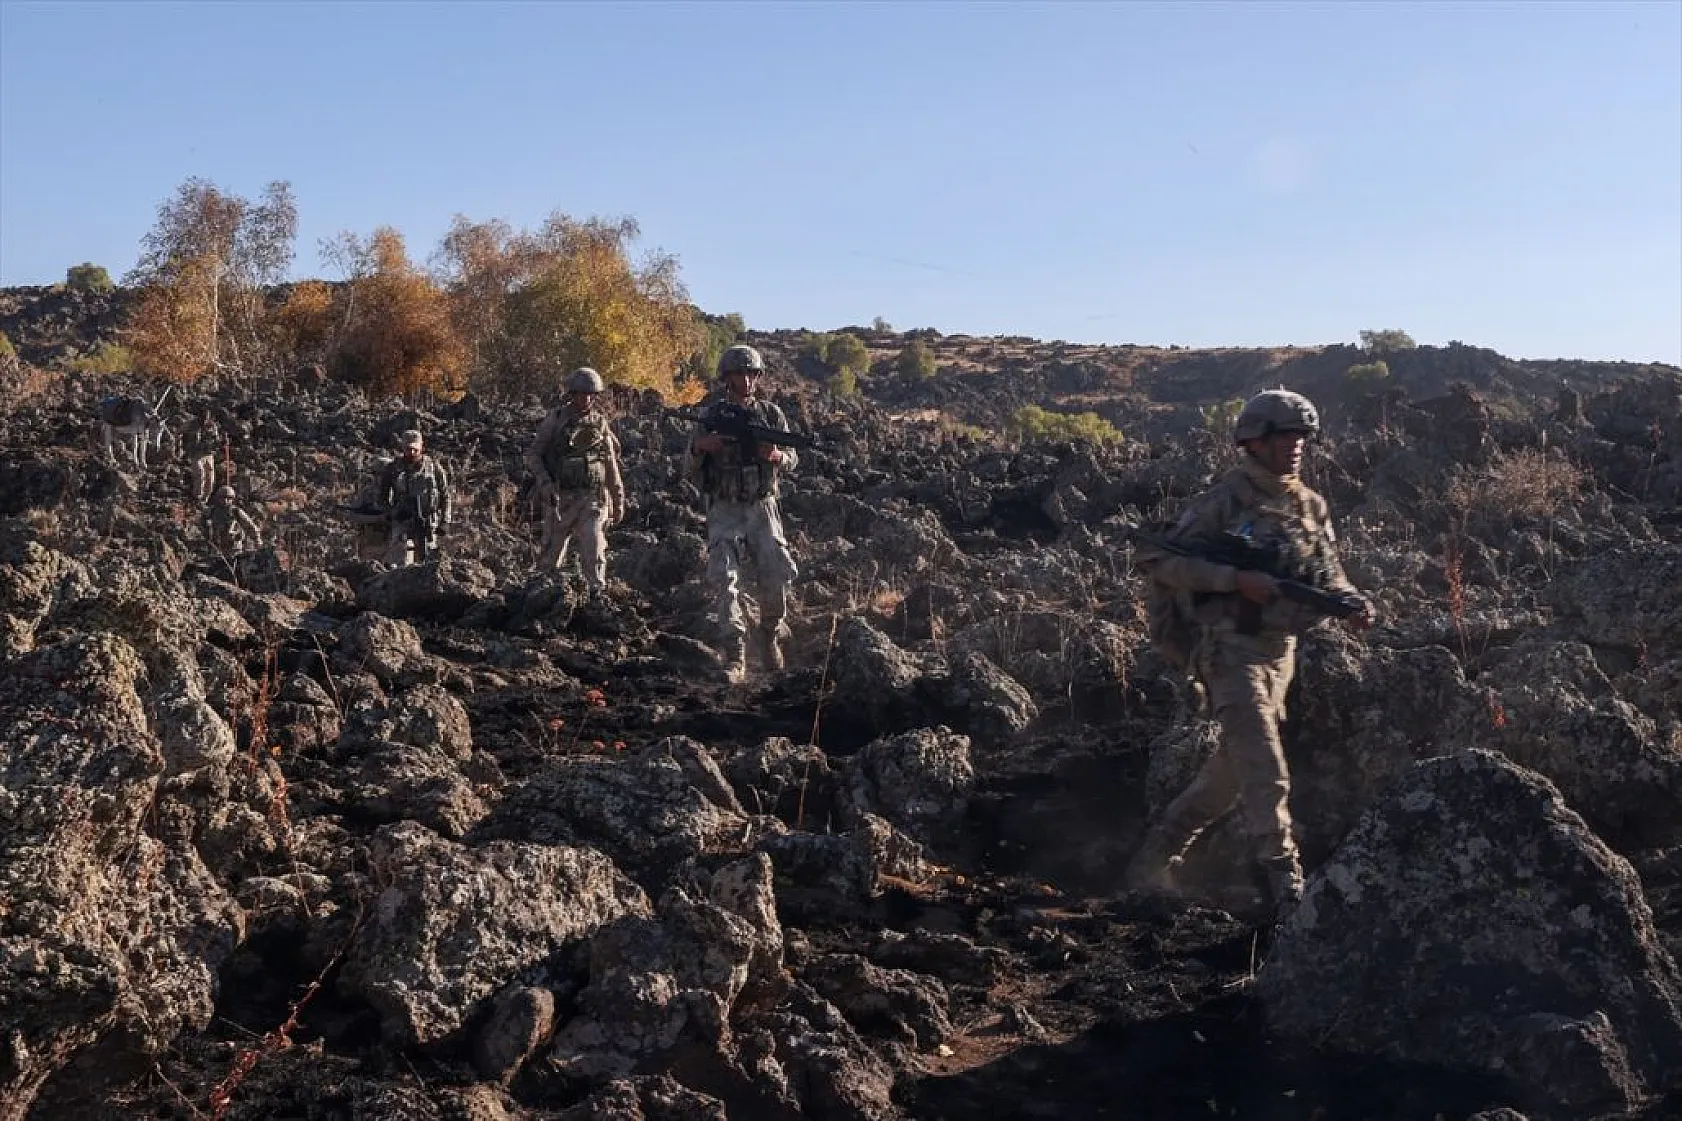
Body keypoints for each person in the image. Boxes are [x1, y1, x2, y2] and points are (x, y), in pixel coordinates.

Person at [1126, 388, 1376, 920]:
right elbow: (1156, 557)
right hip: (1229, 651)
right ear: (1255, 441)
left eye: (1301, 437)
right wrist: (1232, 579)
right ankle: (1291, 897)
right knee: (1267, 771)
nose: (1295, 447)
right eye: (1284, 436)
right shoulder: (1223, 503)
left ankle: (1152, 859)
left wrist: (1351, 602)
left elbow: (1327, 573)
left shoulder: (1310, 506)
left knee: (1232, 776)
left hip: (1280, 653)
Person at [683, 344, 800, 682]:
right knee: (726, 579)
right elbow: (686, 467)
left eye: (752, 374)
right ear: (727, 378)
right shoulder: (711, 417)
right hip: (724, 508)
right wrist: (700, 447)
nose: (747, 380)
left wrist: (776, 456)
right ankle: (735, 654)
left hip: (762, 507)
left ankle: (769, 634)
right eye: (740, 374)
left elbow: (793, 457)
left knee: (777, 576)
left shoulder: (772, 415)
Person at [523, 367, 627, 595]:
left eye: (591, 395)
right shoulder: (556, 420)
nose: (586, 399)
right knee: (549, 561)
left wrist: (618, 500)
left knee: (594, 545)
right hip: (560, 500)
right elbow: (533, 455)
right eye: (581, 394)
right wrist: (546, 484)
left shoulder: (600, 424)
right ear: (572, 394)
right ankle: (541, 600)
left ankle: (596, 598)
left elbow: (610, 464)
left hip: (591, 499)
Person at [377, 428, 452, 567]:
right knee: (399, 562)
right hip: (402, 522)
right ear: (402, 447)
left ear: (421, 447)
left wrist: (445, 521)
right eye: (407, 449)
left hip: (427, 522)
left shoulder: (434, 468)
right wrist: (391, 513)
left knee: (429, 562)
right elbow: (382, 497)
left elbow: (445, 496)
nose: (411, 452)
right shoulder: (393, 468)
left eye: (415, 449)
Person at [182, 406, 224, 505]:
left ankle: (205, 499)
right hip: (195, 454)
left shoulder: (212, 426)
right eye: (203, 417)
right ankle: (197, 497)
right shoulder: (191, 424)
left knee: (210, 477)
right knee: (199, 474)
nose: (204, 419)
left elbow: (216, 440)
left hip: (208, 454)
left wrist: (222, 442)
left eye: (206, 417)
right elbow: (179, 432)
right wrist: (179, 448)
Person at [204, 485, 262, 556]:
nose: (225, 501)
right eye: (222, 498)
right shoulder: (210, 512)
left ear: (232, 499)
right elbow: (200, 526)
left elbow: (250, 527)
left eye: (228, 498)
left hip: (234, 549)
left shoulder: (236, 512)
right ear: (218, 498)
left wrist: (257, 540)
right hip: (216, 549)